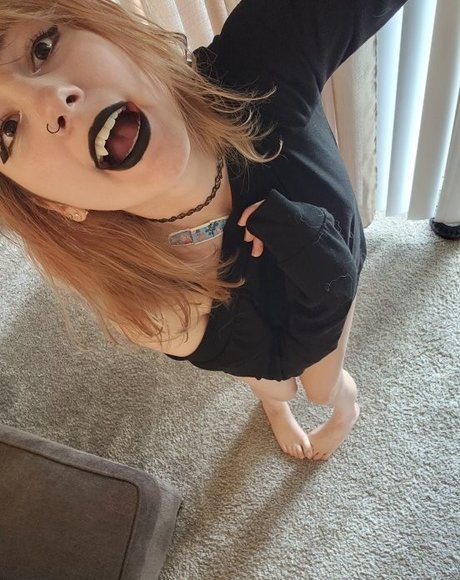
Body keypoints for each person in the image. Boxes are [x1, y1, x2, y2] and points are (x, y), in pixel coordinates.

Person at [0, 0, 408, 461]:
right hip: (260, 338)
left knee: (321, 388)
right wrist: (276, 387)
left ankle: (344, 406)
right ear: (52, 204)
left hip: (330, 274)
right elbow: (264, 359)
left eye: (42, 47)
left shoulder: (255, 72)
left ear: (109, 33)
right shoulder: (146, 297)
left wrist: (308, 241)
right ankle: (275, 406)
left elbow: (331, 290)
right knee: (277, 388)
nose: (51, 100)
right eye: (6, 131)